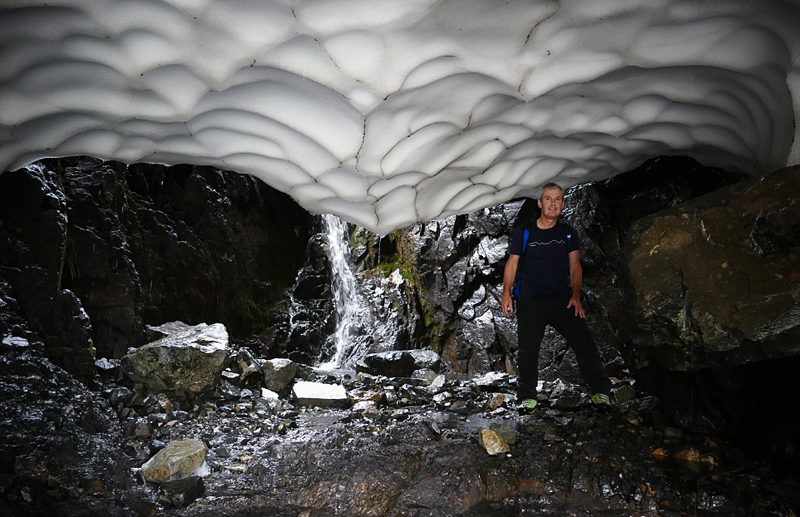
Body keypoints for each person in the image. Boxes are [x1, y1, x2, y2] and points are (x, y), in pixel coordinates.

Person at [501, 182, 612, 412]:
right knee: (528, 350)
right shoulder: (525, 233)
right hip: (531, 301)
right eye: (548, 199)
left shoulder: (568, 233)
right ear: (540, 203)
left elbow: (575, 266)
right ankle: (526, 397)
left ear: (562, 204)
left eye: (558, 199)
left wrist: (577, 296)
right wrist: (506, 293)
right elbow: (512, 264)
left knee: (584, 343)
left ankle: (601, 391)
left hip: (562, 300)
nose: (553, 203)